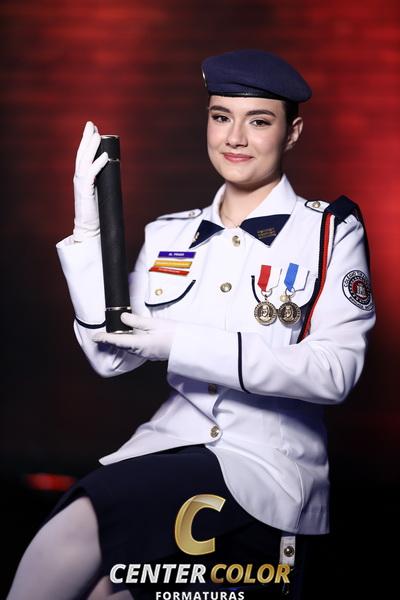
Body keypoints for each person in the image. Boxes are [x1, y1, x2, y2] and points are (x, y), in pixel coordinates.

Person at [7, 49, 375, 600]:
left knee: (79, 527)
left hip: (267, 471)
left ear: (292, 133)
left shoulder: (327, 233)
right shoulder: (171, 234)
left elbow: (334, 372)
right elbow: (110, 356)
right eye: (221, 117)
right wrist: (87, 234)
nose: (235, 138)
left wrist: (178, 342)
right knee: (101, 588)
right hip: (166, 451)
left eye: (259, 121)